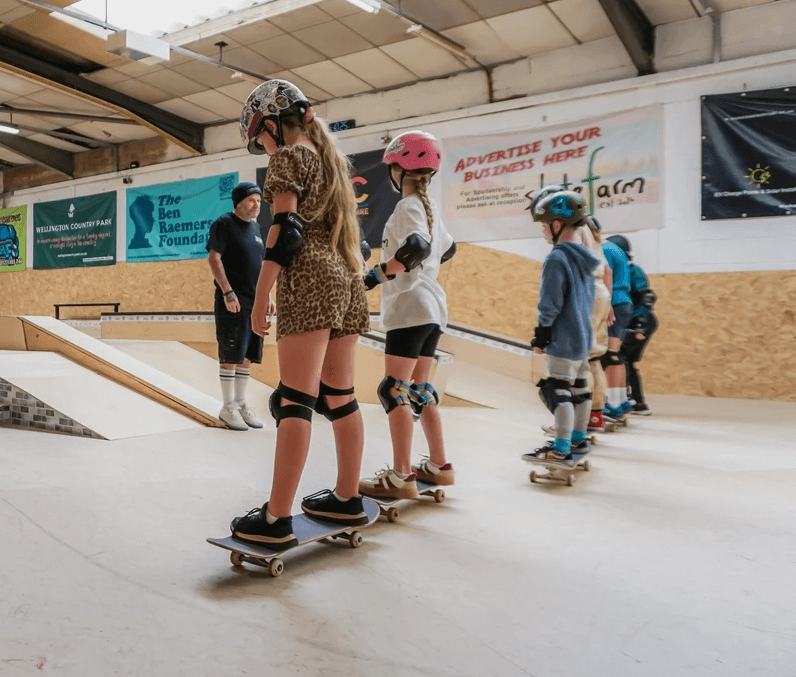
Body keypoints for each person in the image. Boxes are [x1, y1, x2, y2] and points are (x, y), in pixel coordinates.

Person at [230, 79, 370, 549]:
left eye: (260, 137)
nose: (263, 146)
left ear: (272, 123)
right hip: (348, 279)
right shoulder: (331, 163)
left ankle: (276, 517)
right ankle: (348, 497)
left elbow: (287, 232)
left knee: (294, 400)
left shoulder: (290, 156)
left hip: (310, 279)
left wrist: (260, 294)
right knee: (340, 397)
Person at [357, 130, 457, 499]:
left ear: (399, 170)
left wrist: (376, 275)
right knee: (420, 388)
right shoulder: (429, 210)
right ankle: (439, 466)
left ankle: (401, 476)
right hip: (432, 308)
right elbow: (446, 250)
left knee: (393, 389)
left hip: (410, 307)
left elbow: (416, 248)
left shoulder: (408, 207)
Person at [523, 190, 600, 461]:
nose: (544, 232)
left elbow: (550, 302)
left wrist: (541, 334)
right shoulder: (585, 258)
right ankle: (578, 439)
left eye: (544, 226)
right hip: (583, 337)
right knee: (580, 389)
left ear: (557, 225)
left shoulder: (557, 258)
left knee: (559, 389)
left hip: (564, 337)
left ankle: (561, 448)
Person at [206, 181, 267, 431]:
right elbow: (214, 257)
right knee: (231, 356)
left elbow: (260, 265)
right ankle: (227, 407)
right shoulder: (223, 224)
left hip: (254, 302)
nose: (257, 205)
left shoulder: (256, 228)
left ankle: (241, 403)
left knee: (246, 357)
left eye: (259, 201)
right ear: (239, 202)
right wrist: (227, 292)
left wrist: (267, 297)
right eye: (252, 200)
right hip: (233, 300)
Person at [575, 216, 614, 432]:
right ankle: (597, 414)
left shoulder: (581, 238)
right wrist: (609, 303)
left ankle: (582, 415)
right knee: (595, 357)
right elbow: (608, 272)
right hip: (602, 293)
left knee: (584, 357)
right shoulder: (598, 243)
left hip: (591, 291)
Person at [615, 236, 658, 415]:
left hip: (643, 321)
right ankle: (636, 402)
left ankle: (630, 400)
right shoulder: (619, 274)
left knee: (622, 358)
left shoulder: (634, 272)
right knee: (625, 360)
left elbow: (648, 298)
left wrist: (639, 325)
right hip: (631, 321)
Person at [601, 233, 633, 422]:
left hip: (614, 301)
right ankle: (621, 400)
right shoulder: (618, 250)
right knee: (616, 355)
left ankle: (612, 405)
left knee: (610, 356)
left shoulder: (605, 249)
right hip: (624, 302)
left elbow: (606, 276)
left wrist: (605, 305)